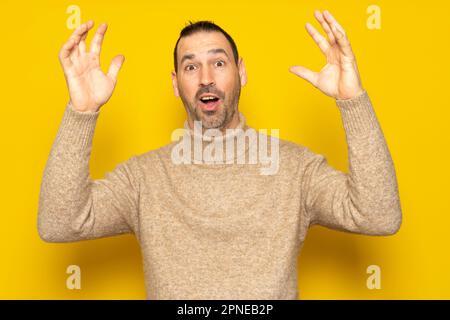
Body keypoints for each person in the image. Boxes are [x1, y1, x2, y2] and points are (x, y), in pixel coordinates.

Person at [37, 10, 402, 299]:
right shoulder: (143, 178)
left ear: (241, 72)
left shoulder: (296, 170)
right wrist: (81, 112)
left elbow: (378, 216)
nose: (206, 77)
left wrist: (352, 101)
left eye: (219, 62)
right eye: (191, 66)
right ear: (176, 83)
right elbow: (60, 222)